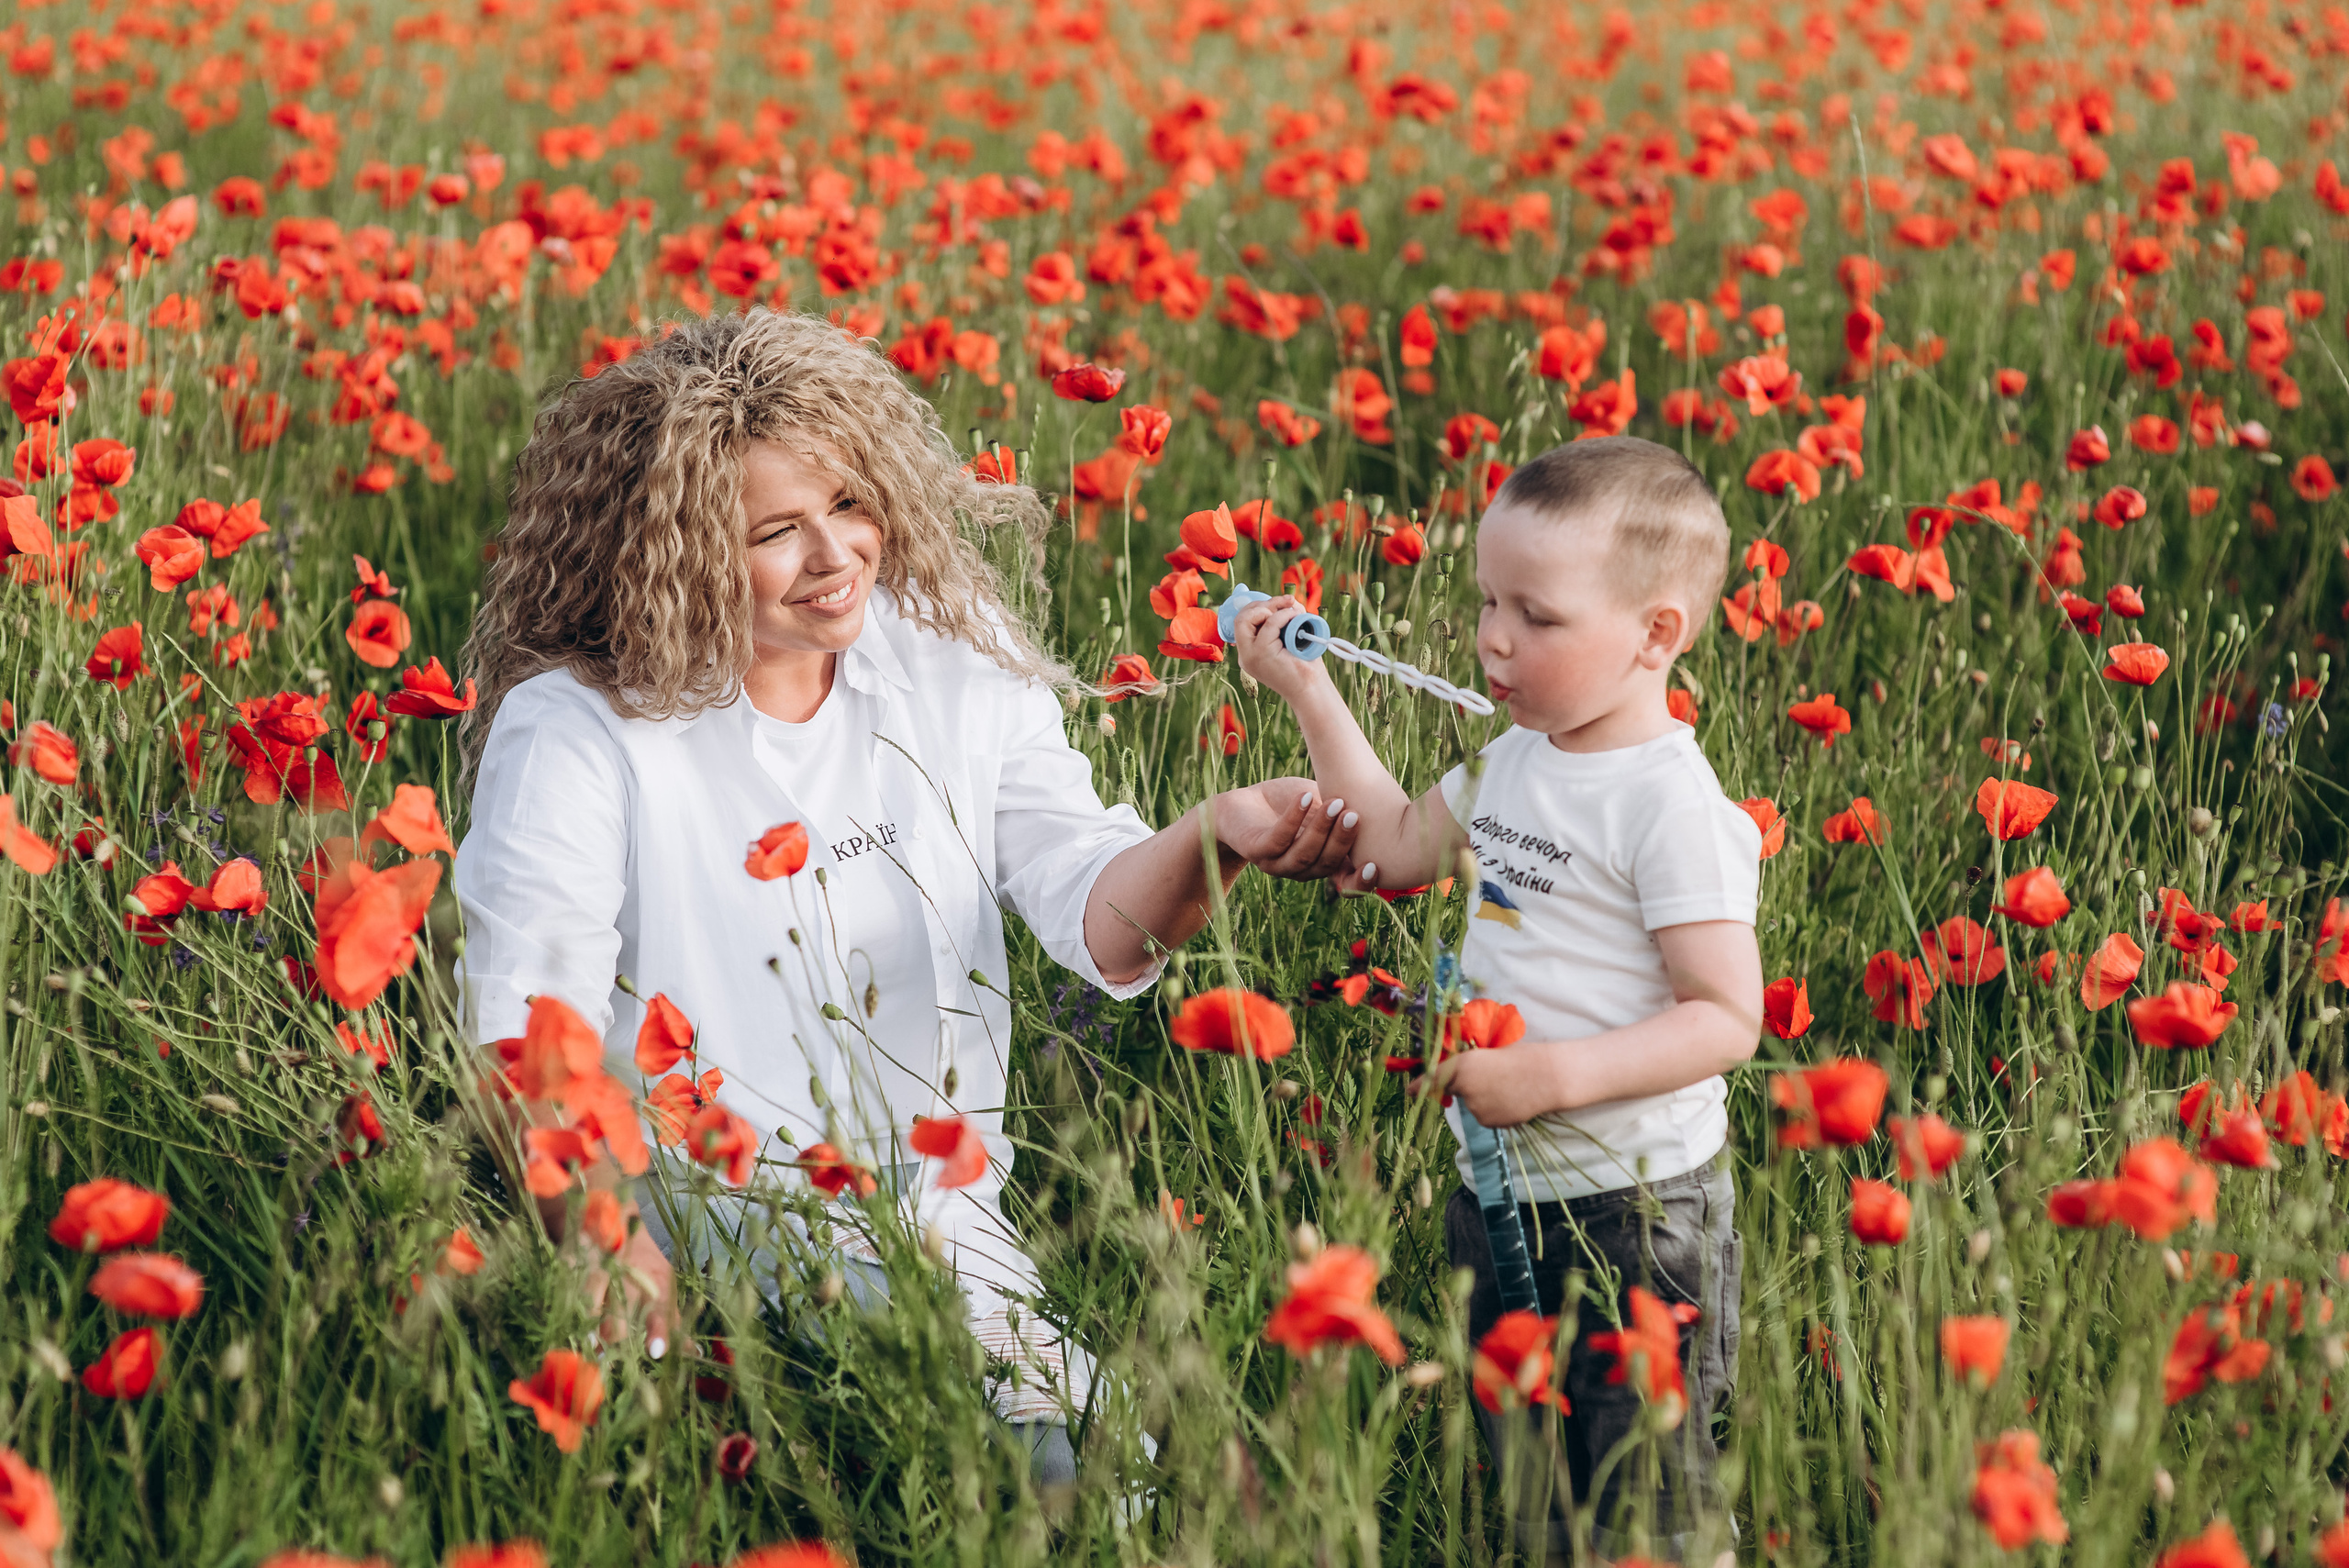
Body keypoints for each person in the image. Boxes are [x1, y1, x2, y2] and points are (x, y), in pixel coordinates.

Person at [452, 308, 1363, 1483]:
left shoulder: (946, 648)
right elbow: (529, 1031)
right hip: (701, 1201)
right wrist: (608, 1243)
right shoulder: (580, 729)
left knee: (1169, 1474)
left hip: (942, 1208)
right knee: (1081, 1471)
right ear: (671, 549)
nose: (837, 556)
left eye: (848, 503)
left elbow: (1087, 898)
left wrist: (1216, 835)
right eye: (775, 532)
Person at [1227, 435, 1762, 1553]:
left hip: (1641, 1211)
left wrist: (1554, 1075)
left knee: (1643, 1495)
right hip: (1500, 1189)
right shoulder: (1512, 760)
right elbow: (1392, 848)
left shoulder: (1669, 804)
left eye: (1537, 615)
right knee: (1530, 1487)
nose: (1492, 637)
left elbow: (1725, 1017)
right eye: (1486, 601)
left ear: (1656, 633)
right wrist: (1308, 685)